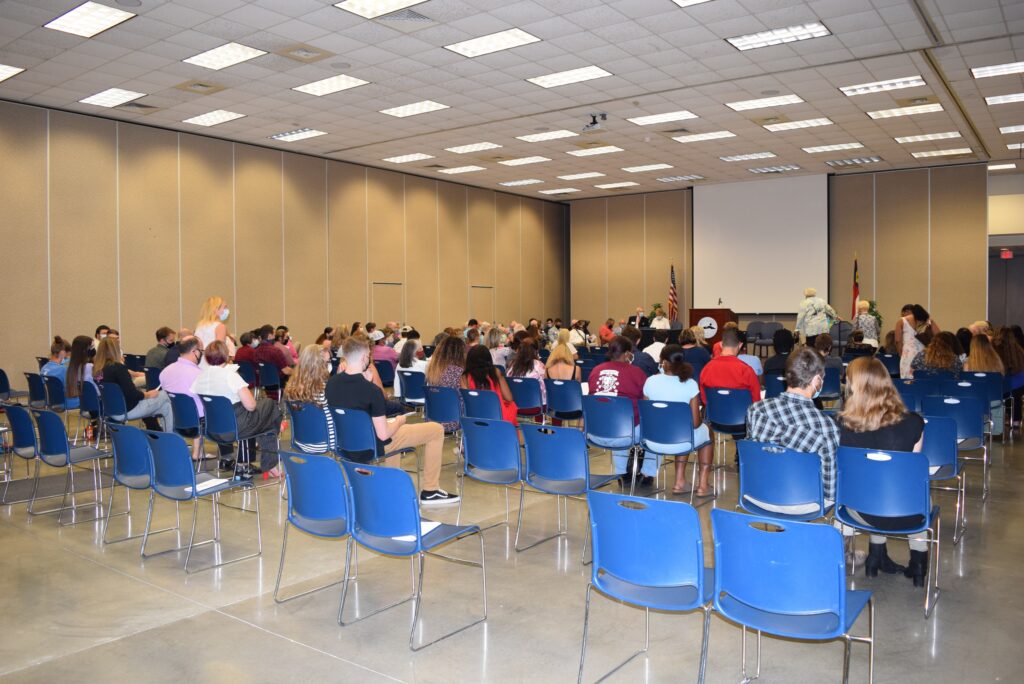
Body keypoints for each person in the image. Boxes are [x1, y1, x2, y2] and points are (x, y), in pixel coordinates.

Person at [327, 337, 457, 504]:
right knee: (436, 430)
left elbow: (353, 403)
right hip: (373, 444)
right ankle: (431, 490)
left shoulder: (331, 384)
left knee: (391, 432)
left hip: (346, 444)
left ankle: (391, 486)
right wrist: (400, 420)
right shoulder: (371, 390)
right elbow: (383, 435)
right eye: (368, 355)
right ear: (363, 358)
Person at [837, 357, 930, 584]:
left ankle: (873, 559)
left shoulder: (841, 424)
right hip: (907, 514)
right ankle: (918, 567)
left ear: (853, 387)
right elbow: (910, 473)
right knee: (913, 490)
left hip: (859, 512)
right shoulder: (915, 422)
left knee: (869, 487)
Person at [745, 347, 839, 514]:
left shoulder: (756, 411)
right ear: (817, 379)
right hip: (804, 503)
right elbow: (830, 490)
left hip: (757, 494)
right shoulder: (826, 426)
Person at [191, 340, 281, 478]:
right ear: (226, 356)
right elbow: (251, 406)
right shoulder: (230, 376)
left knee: (264, 420)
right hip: (236, 427)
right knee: (269, 406)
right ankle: (267, 462)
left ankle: (251, 461)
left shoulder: (200, 377)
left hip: (211, 428)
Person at [643, 344, 713, 496]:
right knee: (705, 431)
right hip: (680, 440)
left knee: (682, 429)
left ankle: (681, 481)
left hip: (652, 440)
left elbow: (646, 415)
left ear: (662, 361)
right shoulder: (690, 384)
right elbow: (695, 423)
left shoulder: (650, 381)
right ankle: (702, 485)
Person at [588, 335, 653, 485]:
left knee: (616, 416)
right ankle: (647, 473)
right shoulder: (636, 372)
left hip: (594, 432)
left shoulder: (595, 370)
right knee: (650, 427)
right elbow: (645, 402)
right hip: (625, 434)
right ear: (627, 354)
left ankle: (621, 472)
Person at [93, 337, 173, 433]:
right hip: (128, 410)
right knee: (165, 394)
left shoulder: (97, 370)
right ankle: (177, 435)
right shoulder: (118, 368)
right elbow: (133, 394)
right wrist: (148, 394)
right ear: (116, 350)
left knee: (166, 407)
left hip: (111, 410)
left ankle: (167, 437)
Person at [159, 336, 217, 462]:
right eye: (201, 351)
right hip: (199, 421)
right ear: (195, 352)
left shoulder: (166, 371)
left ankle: (198, 452)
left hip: (175, 418)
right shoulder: (198, 374)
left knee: (193, 404)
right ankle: (228, 457)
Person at [284, 343, 336, 453]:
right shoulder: (325, 389)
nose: (330, 365)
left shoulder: (291, 388)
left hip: (301, 441)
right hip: (326, 442)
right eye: (327, 362)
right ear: (317, 366)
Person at [699, 328, 761, 405]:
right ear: (740, 345)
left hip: (714, 415)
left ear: (721, 344)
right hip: (741, 415)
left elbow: (704, 400)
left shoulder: (706, 369)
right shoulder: (747, 370)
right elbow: (756, 401)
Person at [461, 345, 518, 425]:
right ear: (488, 358)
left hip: (475, 414)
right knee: (511, 405)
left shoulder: (465, 377)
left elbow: (467, 400)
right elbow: (509, 398)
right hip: (497, 415)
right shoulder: (496, 372)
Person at [424, 334, 468, 433]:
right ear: (460, 353)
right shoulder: (460, 372)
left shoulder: (432, 370)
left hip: (432, 420)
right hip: (455, 421)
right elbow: (467, 398)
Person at [895, 304, 939, 379]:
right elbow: (940, 337)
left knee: (907, 379)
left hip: (908, 353)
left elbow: (897, 340)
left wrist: (900, 353)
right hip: (924, 354)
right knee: (922, 378)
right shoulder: (928, 321)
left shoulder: (901, 321)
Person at [253, 324, 294, 397]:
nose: (275, 337)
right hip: (279, 383)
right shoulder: (276, 351)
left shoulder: (255, 352)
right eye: (274, 334)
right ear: (269, 336)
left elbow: (257, 370)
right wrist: (297, 372)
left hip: (264, 383)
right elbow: (286, 370)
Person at [506, 338, 547, 407]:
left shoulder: (512, 365)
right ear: (535, 351)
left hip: (516, 405)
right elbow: (545, 383)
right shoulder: (539, 365)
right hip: (536, 405)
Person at [40, 336, 77, 409]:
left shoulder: (44, 368)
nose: (68, 358)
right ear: (62, 353)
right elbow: (72, 390)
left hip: (51, 401)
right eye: (67, 355)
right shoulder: (63, 369)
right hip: (65, 402)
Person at [195, 296, 235, 361]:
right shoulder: (220, 326)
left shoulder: (200, 326)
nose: (227, 310)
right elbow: (219, 350)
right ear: (216, 309)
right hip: (214, 361)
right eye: (224, 307)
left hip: (201, 361)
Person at [63, 336, 94, 412]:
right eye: (92, 347)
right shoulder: (89, 367)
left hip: (70, 400)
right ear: (85, 350)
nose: (94, 350)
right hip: (84, 403)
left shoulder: (66, 365)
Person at [394, 337, 428, 401]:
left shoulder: (399, 365)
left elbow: (397, 382)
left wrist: (397, 396)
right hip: (424, 398)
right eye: (420, 348)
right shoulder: (424, 364)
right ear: (416, 351)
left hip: (406, 398)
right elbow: (430, 383)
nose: (422, 349)